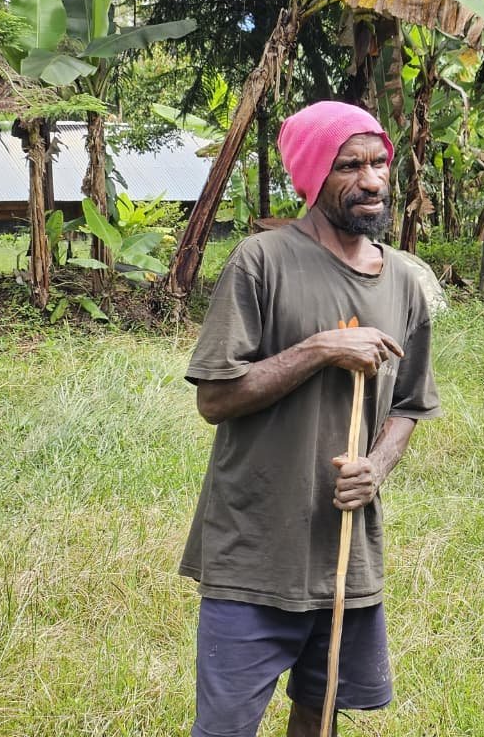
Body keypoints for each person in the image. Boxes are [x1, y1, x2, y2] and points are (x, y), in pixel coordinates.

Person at [181, 101, 441, 737]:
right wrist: (321, 347)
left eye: (379, 163)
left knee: (319, 717)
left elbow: (408, 403)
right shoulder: (260, 261)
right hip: (255, 552)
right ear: (312, 176)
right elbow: (214, 398)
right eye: (350, 166)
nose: (372, 179)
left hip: (345, 555)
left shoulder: (406, 281)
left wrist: (376, 468)